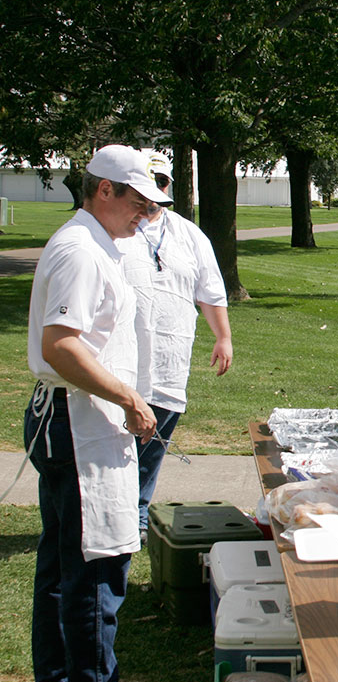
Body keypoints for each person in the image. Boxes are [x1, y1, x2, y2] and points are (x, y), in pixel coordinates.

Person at [23, 144, 170, 682]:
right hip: (81, 424)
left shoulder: (98, 242)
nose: (147, 213)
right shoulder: (81, 250)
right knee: (93, 571)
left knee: (65, 564)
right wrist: (130, 399)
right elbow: (62, 346)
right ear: (104, 189)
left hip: (82, 419)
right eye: (139, 201)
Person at [118, 153, 233, 543]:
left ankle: (134, 515)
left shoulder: (188, 234)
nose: (156, 192)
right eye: (150, 183)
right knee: (119, 442)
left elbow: (211, 290)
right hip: (121, 359)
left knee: (154, 441)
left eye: (163, 182)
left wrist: (223, 337)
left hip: (170, 357)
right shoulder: (116, 230)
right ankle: (113, 513)